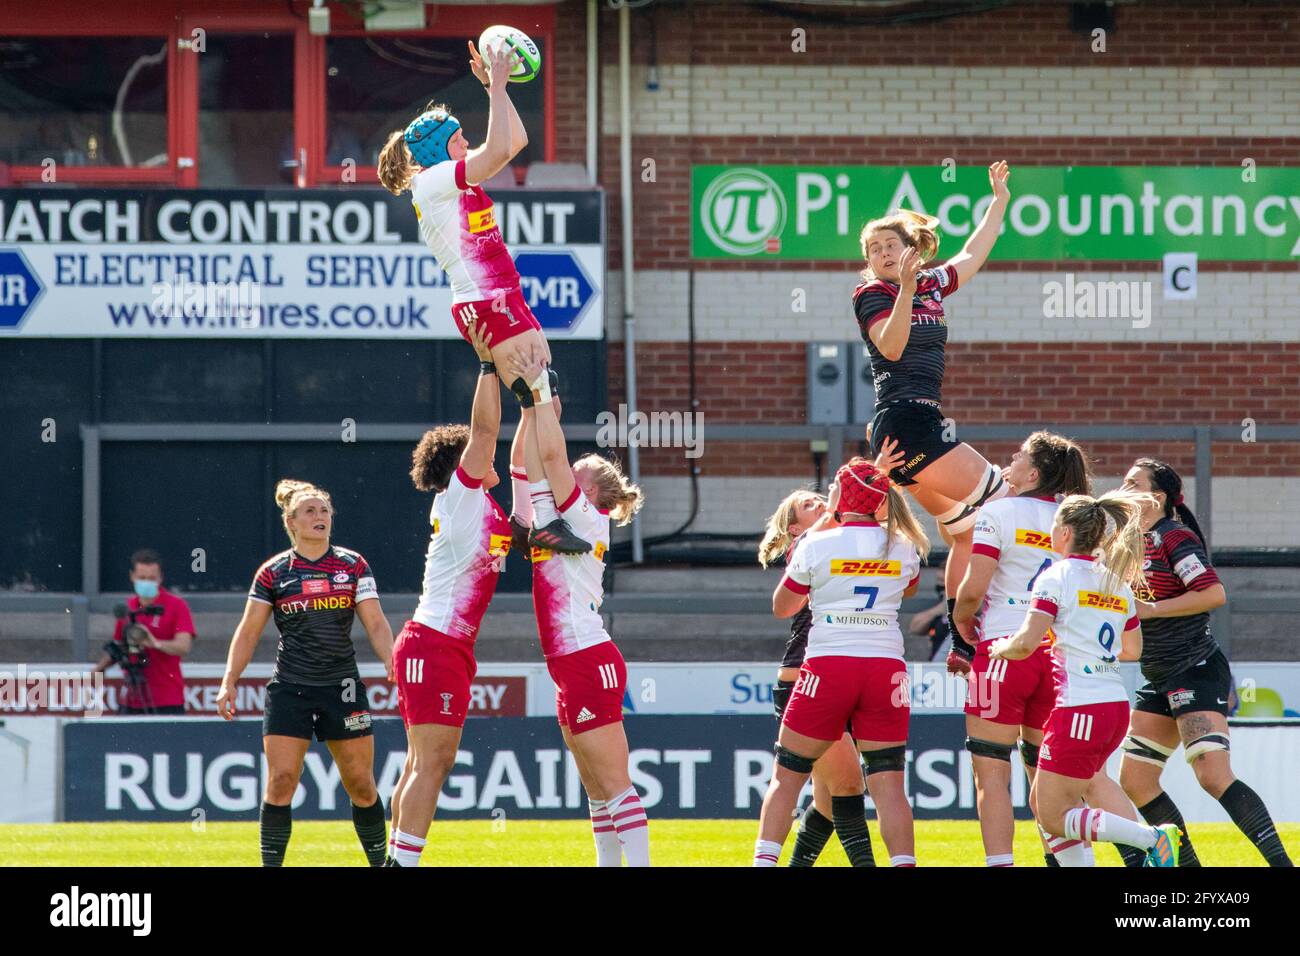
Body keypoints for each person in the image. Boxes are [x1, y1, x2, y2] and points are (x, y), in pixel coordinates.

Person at [375, 41, 587, 557]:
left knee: (544, 401)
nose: (468, 141)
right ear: (444, 146)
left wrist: (501, 88)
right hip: (489, 302)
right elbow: (497, 151)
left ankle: (524, 514)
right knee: (542, 405)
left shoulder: (446, 180)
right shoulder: (434, 182)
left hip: (499, 298)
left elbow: (513, 140)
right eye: (460, 136)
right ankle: (544, 517)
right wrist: (492, 87)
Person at [954, 431, 1146, 867]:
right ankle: (1118, 854)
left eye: (1020, 455)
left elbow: (973, 588)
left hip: (1007, 648)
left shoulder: (998, 512)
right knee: (1056, 778)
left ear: (1035, 472)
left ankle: (1001, 863)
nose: (1012, 459)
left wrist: (961, 620)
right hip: (1059, 659)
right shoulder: (1078, 518)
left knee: (991, 771)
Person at [852, 161, 1014, 677]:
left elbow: (974, 252)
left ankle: (961, 639)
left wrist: (999, 201)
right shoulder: (872, 294)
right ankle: (1023, 608)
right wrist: (902, 288)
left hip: (914, 428)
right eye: (873, 249)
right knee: (1005, 501)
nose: (881, 253)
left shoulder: (931, 284)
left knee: (964, 534)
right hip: (906, 423)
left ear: (910, 250)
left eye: (889, 246)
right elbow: (892, 347)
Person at [507, 351, 648, 866]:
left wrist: (542, 393)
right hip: (572, 662)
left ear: (589, 490)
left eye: (575, 469)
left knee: (615, 785)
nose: (566, 468)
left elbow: (551, 447)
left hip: (587, 657)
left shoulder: (584, 515)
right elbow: (522, 464)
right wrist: (529, 404)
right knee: (595, 789)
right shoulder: (558, 507)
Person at [755, 452, 927, 868]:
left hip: (829, 664)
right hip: (885, 667)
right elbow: (909, 592)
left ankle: (765, 863)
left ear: (841, 500)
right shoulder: (905, 546)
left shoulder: (816, 542)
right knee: (888, 787)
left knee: (787, 777)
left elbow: (783, 606)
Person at [989, 490, 1179, 867]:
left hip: (1079, 707)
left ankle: (1152, 837)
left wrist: (1001, 648)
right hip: (1112, 706)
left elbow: (1026, 643)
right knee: (1047, 804)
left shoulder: (1055, 577)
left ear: (1063, 532)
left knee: (1053, 816)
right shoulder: (1115, 583)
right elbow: (1133, 649)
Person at [1117, 458, 1292, 867]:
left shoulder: (1172, 537)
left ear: (1155, 498)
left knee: (1212, 775)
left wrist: (1151, 610)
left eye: (1132, 483)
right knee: (1136, 780)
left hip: (1194, 669)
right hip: (1158, 676)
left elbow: (1213, 593)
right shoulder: (1130, 542)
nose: (1122, 488)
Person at [215, 480, 395, 867]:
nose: (320, 517)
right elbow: (248, 631)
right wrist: (229, 680)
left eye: (325, 510)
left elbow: (376, 623)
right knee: (281, 782)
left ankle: (381, 864)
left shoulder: (352, 565)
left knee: (362, 785)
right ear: (291, 521)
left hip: (343, 687)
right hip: (290, 688)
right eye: (310, 511)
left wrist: (391, 660)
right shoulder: (273, 573)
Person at [386, 323, 513, 868]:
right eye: (478, 457)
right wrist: (489, 367)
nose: (490, 460)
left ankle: (392, 860)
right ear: (462, 466)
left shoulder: (483, 508)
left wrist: (537, 404)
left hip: (445, 645)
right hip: (434, 642)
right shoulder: (461, 497)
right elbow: (484, 433)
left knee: (422, 762)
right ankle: (401, 864)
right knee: (432, 762)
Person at [757, 488, 871, 867]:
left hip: (840, 674)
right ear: (793, 529)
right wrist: (845, 499)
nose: (822, 503)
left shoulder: (836, 541)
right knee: (849, 784)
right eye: (809, 505)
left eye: (821, 498)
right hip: (806, 679)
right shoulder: (806, 545)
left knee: (826, 800)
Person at [93, 548, 195, 715]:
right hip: (131, 698)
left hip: (166, 698)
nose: (146, 582)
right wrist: (99, 669)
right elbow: (119, 646)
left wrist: (153, 643)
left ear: (160, 577)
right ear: (132, 576)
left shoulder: (176, 606)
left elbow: (183, 646)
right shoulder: (127, 608)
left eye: (151, 578)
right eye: (142, 578)